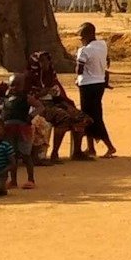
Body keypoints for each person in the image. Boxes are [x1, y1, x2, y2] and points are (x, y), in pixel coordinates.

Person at [26, 51, 88, 163]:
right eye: (42, 61)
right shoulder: (29, 77)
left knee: (81, 117)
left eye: (47, 60)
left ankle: (77, 152)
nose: (46, 63)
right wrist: (43, 92)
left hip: (55, 103)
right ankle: (55, 153)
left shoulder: (51, 75)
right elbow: (28, 97)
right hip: (40, 107)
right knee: (63, 117)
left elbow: (59, 94)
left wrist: (65, 103)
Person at [74, 23, 117, 158]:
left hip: (87, 86)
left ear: (88, 35)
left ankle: (110, 146)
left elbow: (79, 71)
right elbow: (106, 61)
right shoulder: (102, 45)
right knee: (90, 116)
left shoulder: (84, 51)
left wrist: (79, 60)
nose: (81, 40)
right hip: (99, 84)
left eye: (82, 37)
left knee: (92, 118)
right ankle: (91, 148)